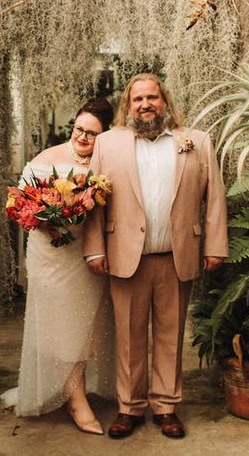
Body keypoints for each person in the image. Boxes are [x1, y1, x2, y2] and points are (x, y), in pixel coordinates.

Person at [83, 73, 228, 440]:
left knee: (170, 335)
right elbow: (93, 204)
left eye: (152, 97)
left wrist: (214, 246)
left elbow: (215, 199)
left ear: (165, 101)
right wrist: (95, 249)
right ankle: (129, 408)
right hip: (125, 256)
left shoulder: (195, 141)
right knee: (129, 338)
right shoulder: (107, 143)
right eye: (138, 99)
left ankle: (166, 407)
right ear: (127, 105)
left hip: (176, 255)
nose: (145, 104)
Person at [1, 97, 115, 434]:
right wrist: (47, 220)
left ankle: (73, 390)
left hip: (85, 255)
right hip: (50, 256)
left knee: (82, 326)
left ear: (104, 136)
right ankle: (76, 400)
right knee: (59, 325)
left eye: (92, 134)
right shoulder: (45, 159)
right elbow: (19, 204)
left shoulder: (105, 166)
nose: (82, 137)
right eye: (79, 128)